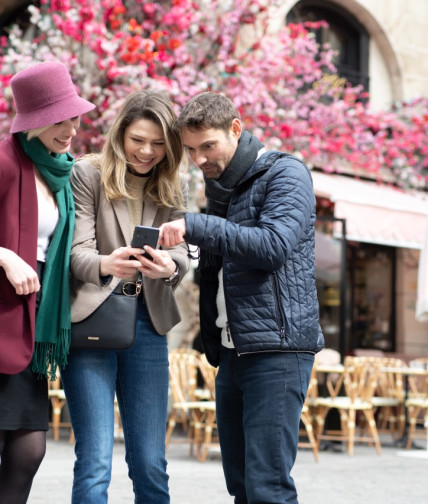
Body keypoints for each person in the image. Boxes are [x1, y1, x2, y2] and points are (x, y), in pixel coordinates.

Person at [159, 92, 324, 504]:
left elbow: (273, 246)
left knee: (267, 487)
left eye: (207, 146)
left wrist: (195, 226)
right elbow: (218, 270)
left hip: (278, 350)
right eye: (191, 150)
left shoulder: (287, 173)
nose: (198, 159)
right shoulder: (222, 188)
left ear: (236, 128)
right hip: (234, 351)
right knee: (242, 485)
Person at [60, 90, 190, 504]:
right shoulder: (88, 174)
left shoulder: (173, 183)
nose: (147, 152)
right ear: (120, 135)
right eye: (138, 139)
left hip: (149, 325)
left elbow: (181, 254)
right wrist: (106, 263)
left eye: (157, 143)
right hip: (91, 324)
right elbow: (75, 255)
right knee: (96, 460)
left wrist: (171, 268)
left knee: (151, 462)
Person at [0, 61, 95, 504]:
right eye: (60, 120)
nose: (71, 129)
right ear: (34, 120)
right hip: (1, 314)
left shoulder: (60, 173)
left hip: (31, 323)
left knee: (29, 449)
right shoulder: (3, 161)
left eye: (74, 117)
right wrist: (3, 256)